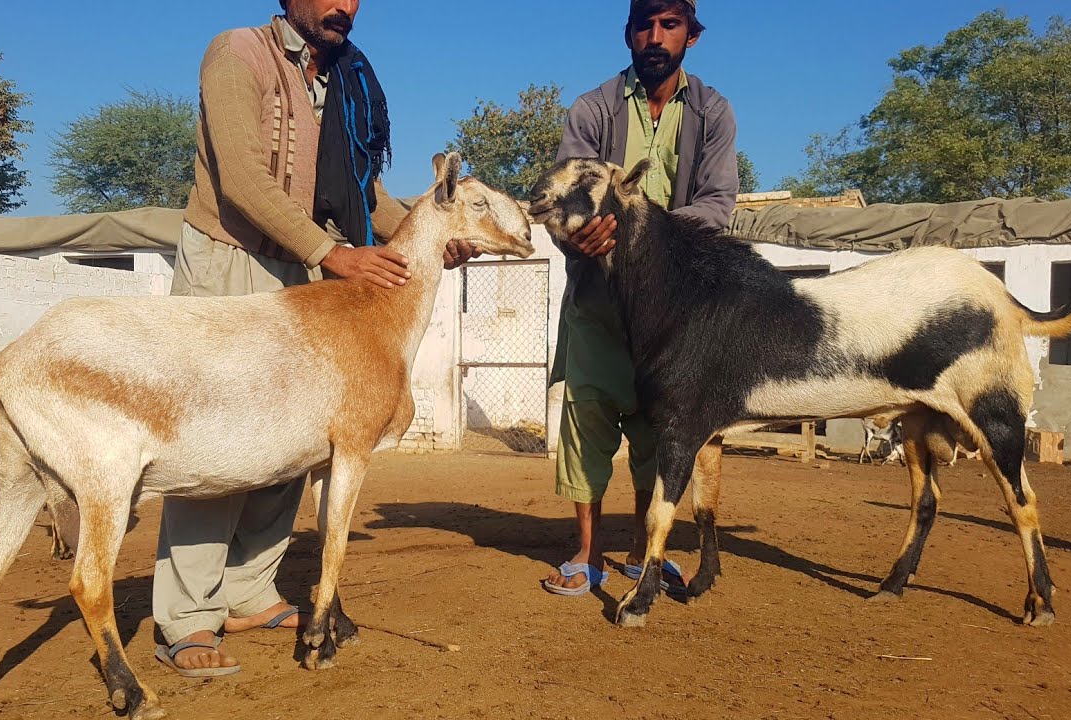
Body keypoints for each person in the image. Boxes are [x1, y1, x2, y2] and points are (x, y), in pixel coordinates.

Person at [156, 0, 477, 676]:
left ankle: (247, 591)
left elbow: (371, 194)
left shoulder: (347, 79)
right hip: (230, 257)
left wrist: (426, 237)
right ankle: (186, 616)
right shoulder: (237, 52)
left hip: (298, 269)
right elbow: (242, 178)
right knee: (218, 439)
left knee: (296, 440)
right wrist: (333, 254)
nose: (346, 6)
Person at [542, 0, 739, 596]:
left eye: (670, 25)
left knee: (662, 429)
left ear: (692, 37)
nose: (656, 37)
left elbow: (716, 205)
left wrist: (636, 232)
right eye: (645, 25)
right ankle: (587, 551)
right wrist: (582, 232)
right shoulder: (593, 108)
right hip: (597, 303)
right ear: (628, 35)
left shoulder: (714, 112)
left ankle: (642, 548)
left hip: (673, 314)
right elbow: (563, 195)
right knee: (588, 418)